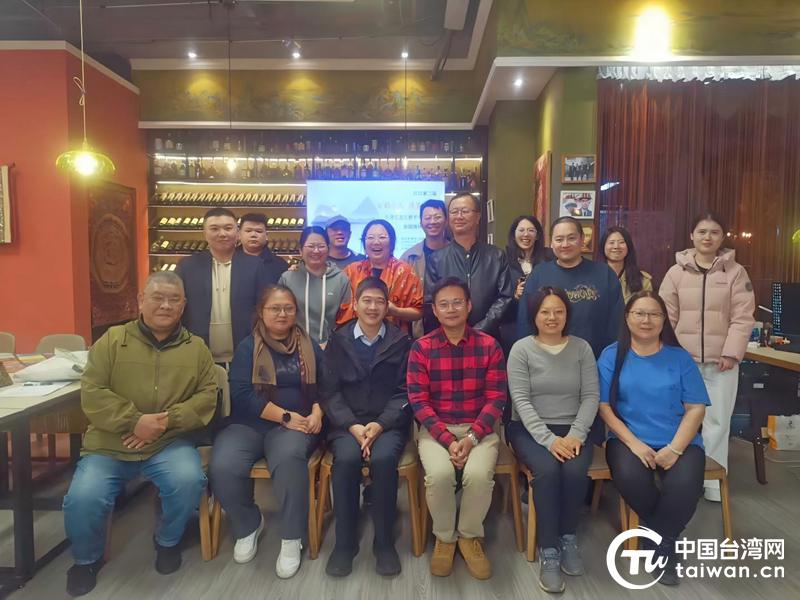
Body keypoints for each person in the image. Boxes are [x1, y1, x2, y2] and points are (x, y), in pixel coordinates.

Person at [63, 272, 217, 597]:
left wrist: (165, 422)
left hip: (168, 442)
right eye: (157, 297)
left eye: (174, 299)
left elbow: (207, 396)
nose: (165, 305)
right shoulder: (113, 340)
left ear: (183, 305)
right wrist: (133, 421)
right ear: (141, 301)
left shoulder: (196, 348)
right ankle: (86, 559)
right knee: (83, 497)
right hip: (110, 444)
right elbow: (92, 390)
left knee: (189, 481)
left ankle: (167, 540)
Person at [209, 285, 324, 579]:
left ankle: (292, 537)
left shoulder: (309, 345)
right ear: (261, 312)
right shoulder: (248, 346)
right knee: (223, 465)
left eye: (288, 308)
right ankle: (248, 523)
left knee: (288, 459)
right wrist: (283, 416)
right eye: (274, 308)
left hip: (298, 425)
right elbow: (241, 394)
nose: (282, 314)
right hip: (250, 424)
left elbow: (327, 386)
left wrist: (318, 411)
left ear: (296, 312)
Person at [598, 291, 710, 586]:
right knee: (631, 478)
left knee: (685, 486)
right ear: (627, 318)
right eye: (639, 313)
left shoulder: (679, 357)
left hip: (679, 441)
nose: (646, 320)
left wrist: (675, 448)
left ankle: (658, 540)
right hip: (628, 440)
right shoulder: (612, 355)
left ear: (663, 320)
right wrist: (635, 444)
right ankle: (667, 540)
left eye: (654, 314)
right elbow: (604, 407)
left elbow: (696, 408)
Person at [407, 277, 507, 580]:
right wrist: (449, 440)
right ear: (434, 310)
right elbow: (418, 401)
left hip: (481, 430)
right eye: (444, 304)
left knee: (477, 476)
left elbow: (497, 397)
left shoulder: (489, 345)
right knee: (439, 475)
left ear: (469, 306)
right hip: (437, 431)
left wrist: (473, 436)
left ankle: (469, 536)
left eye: (457, 303)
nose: (451, 309)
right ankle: (444, 538)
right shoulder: (422, 348)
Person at [506, 286, 599, 593]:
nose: (552, 317)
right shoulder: (521, 349)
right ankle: (549, 550)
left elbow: (591, 396)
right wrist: (549, 440)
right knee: (546, 471)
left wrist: (575, 434)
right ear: (534, 315)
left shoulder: (582, 348)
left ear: (567, 315)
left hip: (573, 429)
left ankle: (567, 537)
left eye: (559, 311)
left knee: (574, 470)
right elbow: (521, 401)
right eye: (545, 311)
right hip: (529, 429)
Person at [659, 212, 755, 502]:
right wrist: (669, 354)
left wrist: (731, 353)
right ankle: (677, 479)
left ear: (722, 237)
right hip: (682, 363)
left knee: (717, 423)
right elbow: (665, 316)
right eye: (702, 231)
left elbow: (742, 317)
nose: (707, 237)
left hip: (721, 363)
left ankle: (713, 483)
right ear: (691, 236)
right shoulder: (675, 273)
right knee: (676, 421)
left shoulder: (735, 272)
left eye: (714, 232)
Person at [321, 277, 412, 577]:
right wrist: (351, 425)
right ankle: (345, 544)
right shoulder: (339, 340)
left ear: (387, 306)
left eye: (379, 301)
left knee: (384, 459)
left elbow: (405, 391)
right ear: (355, 304)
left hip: (387, 424)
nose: (373, 307)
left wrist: (380, 423)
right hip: (346, 425)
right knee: (346, 459)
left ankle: (384, 543)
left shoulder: (401, 341)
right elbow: (329, 392)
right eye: (367, 301)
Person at [176, 207, 278, 365]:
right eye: (214, 229)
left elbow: (266, 308)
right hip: (197, 356)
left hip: (246, 355)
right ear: (204, 233)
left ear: (237, 232)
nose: (222, 234)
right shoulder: (187, 267)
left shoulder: (255, 266)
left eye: (228, 228)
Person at [517, 216, 623, 358]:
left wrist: (609, 359)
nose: (565, 244)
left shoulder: (605, 274)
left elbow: (617, 324)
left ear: (582, 239)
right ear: (551, 242)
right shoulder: (539, 274)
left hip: (595, 359)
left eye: (571, 238)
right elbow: (525, 321)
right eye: (559, 239)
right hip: (546, 360)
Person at [425, 192, 513, 338]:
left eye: (465, 211)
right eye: (454, 212)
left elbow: (505, 297)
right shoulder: (436, 259)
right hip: (448, 339)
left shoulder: (496, 256)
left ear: (478, 217)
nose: (459, 216)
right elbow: (430, 301)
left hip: (488, 338)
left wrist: (480, 330)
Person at [337, 219, 423, 333]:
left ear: (391, 243)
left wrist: (396, 311)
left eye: (382, 237)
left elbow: (419, 311)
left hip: (394, 338)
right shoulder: (351, 271)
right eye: (370, 237)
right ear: (364, 242)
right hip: (354, 337)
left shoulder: (404, 272)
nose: (376, 242)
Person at [278, 226, 351, 347]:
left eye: (321, 246)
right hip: (293, 347)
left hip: (330, 348)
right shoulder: (287, 278)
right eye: (311, 246)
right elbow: (280, 315)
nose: (316, 251)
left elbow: (346, 319)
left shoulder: (341, 279)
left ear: (328, 249)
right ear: (300, 250)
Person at [500, 215, 549, 353]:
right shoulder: (503, 260)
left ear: (537, 235)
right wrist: (515, 295)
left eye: (531, 230)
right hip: (513, 326)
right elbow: (498, 298)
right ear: (514, 234)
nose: (526, 234)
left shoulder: (549, 258)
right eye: (521, 230)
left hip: (544, 325)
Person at [400, 199, 449, 338]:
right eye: (427, 218)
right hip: (419, 328)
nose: (432, 221)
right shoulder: (409, 257)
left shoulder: (457, 254)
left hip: (451, 322)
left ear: (446, 221)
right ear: (421, 222)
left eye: (437, 217)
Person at [598, 225, 652, 303]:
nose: (616, 246)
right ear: (603, 247)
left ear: (628, 247)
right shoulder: (591, 277)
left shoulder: (643, 280)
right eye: (611, 242)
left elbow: (646, 307)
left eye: (621, 242)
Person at [237, 212, 289, 278]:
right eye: (248, 231)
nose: (253, 235)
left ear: (266, 236)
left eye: (259, 231)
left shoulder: (280, 264)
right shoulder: (230, 260)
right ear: (239, 234)